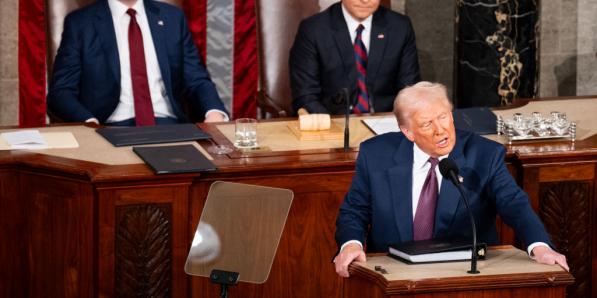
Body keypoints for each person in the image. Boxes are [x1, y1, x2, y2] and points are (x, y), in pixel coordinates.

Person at [333, 81, 568, 277]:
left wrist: (539, 246)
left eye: (444, 117)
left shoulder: (484, 155)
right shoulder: (376, 155)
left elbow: (514, 203)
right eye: (427, 124)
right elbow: (355, 210)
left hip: (461, 274)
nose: (441, 130)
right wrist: (351, 243)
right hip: (393, 274)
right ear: (408, 132)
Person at [47, 0, 228, 126]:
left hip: (170, 126)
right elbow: (61, 91)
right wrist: (88, 122)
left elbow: (196, 79)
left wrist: (214, 112)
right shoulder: (80, 23)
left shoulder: (173, 18)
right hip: (107, 128)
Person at [289, 0, 420, 115]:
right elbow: (306, 95)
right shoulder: (313, 29)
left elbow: (409, 90)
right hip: (333, 122)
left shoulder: (400, 27)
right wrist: (331, 126)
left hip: (385, 122)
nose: (365, 0)